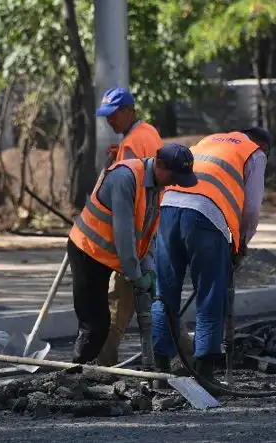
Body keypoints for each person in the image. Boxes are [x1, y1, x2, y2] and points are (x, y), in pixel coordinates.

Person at [151, 128, 272, 386]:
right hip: (205, 215)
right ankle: (205, 374)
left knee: (164, 293)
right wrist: (241, 244)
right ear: (263, 146)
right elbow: (251, 209)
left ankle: (159, 372)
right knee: (210, 294)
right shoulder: (255, 153)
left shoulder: (208, 140)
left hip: (169, 208)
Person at [66, 143, 198, 364]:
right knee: (95, 325)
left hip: (108, 256)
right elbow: (124, 235)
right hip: (87, 251)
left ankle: (90, 371)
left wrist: (149, 270)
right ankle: (76, 373)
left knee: (102, 323)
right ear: (160, 164)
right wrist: (136, 276)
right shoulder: (125, 178)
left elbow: (146, 233)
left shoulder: (156, 187)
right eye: (174, 177)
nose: (175, 183)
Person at [91, 87, 172, 367]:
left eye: (113, 115)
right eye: (106, 116)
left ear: (129, 111)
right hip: (151, 228)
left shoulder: (131, 144)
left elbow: (124, 198)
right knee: (158, 302)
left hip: (136, 236)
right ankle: (184, 358)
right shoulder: (149, 133)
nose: (109, 121)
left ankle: (102, 364)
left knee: (118, 305)